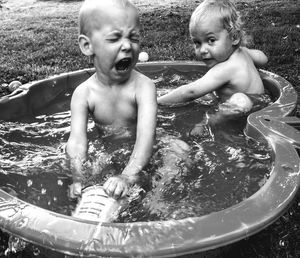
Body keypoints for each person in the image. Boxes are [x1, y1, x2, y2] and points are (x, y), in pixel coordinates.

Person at [66, 0, 157, 200]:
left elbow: (145, 140)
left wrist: (127, 175)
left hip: (143, 156)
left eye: (133, 37)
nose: (127, 46)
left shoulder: (144, 87)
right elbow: (77, 141)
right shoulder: (84, 93)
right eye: (115, 38)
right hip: (109, 153)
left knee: (175, 159)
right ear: (87, 45)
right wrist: (78, 176)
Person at [157, 0, 269, 117]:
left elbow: (190, 92)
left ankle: (214, 121)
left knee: (238, 99)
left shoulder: (225, 68)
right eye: (197, 43)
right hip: (262, 104)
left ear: (234, 37)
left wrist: (157, 102)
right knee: (212, 94)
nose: (203, 50)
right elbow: (263, 58)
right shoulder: (244, 53)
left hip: (246, 110)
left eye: (211, 40)